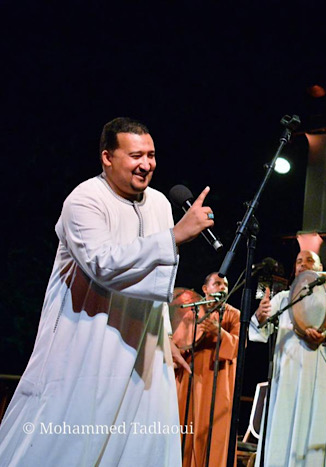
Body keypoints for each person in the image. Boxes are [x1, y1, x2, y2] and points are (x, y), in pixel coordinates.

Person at [0, 117, 214, 466]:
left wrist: (163, 337)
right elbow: (103, 265)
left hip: (142, 346)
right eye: (135, 155)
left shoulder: (159, 202)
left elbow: (156, 277)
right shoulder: (84, 201)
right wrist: (173, 236)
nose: (146, 164)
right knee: (69, 439)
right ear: (107, 157)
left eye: (151, 154)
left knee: (143, 442)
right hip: (88, 341)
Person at [249, 250, 326, 466]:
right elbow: (261, 331)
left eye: (309, 260)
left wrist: (324, 337)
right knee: (282, 429)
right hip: (286, 380)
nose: (303, 264)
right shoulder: (282, 299)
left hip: (320, 379)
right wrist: (259, 317)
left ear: (320, 268)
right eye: (298, 261)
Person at [173, 272, 241, 467]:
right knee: (185, 429)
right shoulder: (190, 310)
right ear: (205, 289)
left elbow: (238, 345)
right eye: (217, 283)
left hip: (218, 382)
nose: (222, 288)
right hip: (191, 379)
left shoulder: (233, 314)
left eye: (225, 285)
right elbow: (178, 341)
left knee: (214, 435)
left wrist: (218, 332)